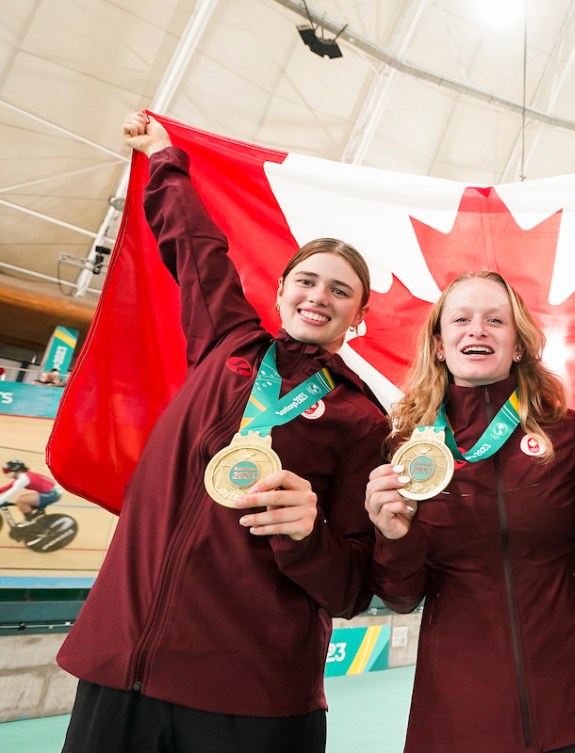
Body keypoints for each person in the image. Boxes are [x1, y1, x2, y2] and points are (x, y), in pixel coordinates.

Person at [55, 113, 387, 753]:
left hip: (249, 698)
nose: (320, 296)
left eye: (341, 291)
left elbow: (351, 587)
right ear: (283, 289)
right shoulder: (227, 342)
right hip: (124, 667)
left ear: (359, 317)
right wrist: (164, 158)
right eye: (308, 280)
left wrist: (304, 533)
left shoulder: (362, 420)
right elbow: (195, 246)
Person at [365, 271, 575, 753]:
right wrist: (394, 536)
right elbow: (399, 597)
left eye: (495, 320)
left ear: (518, 345)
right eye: (460, 319)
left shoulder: (566, 434)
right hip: (459, 721)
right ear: (440, 345)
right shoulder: (407, 450)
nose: (477, 329)